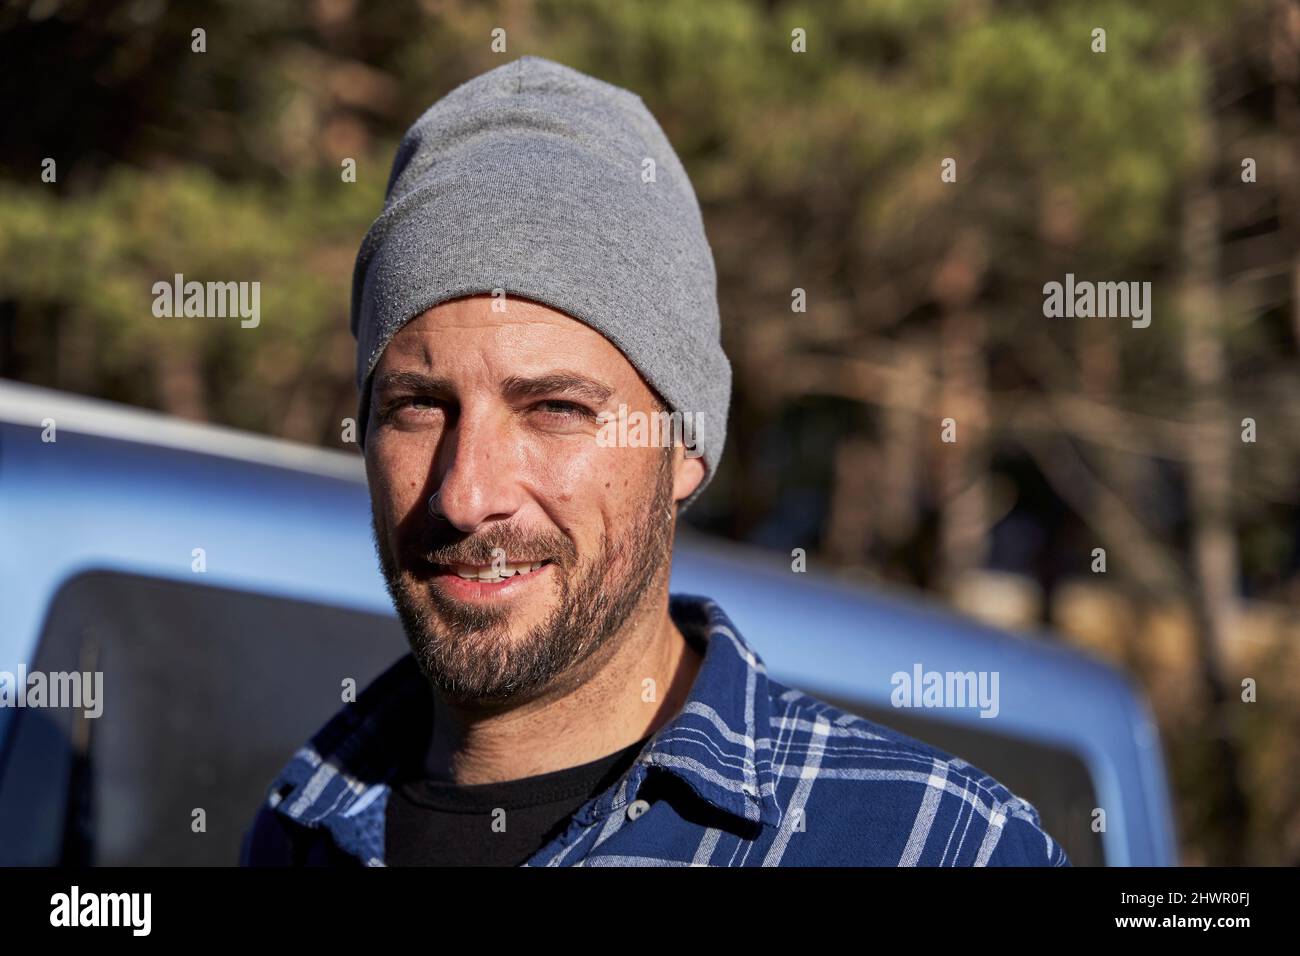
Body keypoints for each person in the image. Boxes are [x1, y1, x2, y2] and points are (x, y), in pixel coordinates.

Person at [239, 54, 1069, 867]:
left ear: (686, 448)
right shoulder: (300, 829)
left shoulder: (936, 845)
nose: (468, 494)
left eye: (555, 409)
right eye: (419, 407)